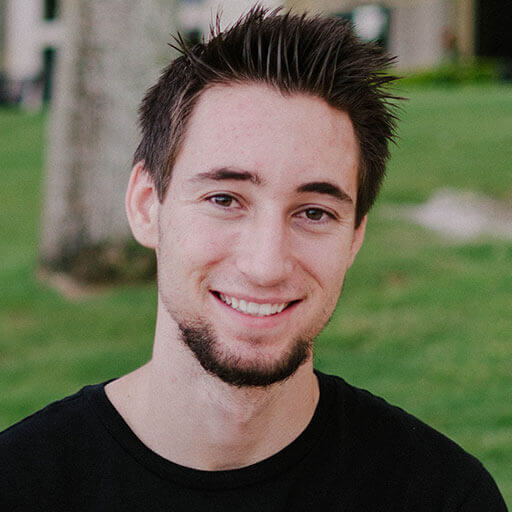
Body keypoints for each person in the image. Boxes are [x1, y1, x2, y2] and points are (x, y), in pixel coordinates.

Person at [1, 7, 507, 511]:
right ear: (146, 205)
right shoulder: (20, 485)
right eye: (225, 199)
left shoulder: (442, 497)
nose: (266, 265)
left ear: (355, 237)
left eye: (314, 212)